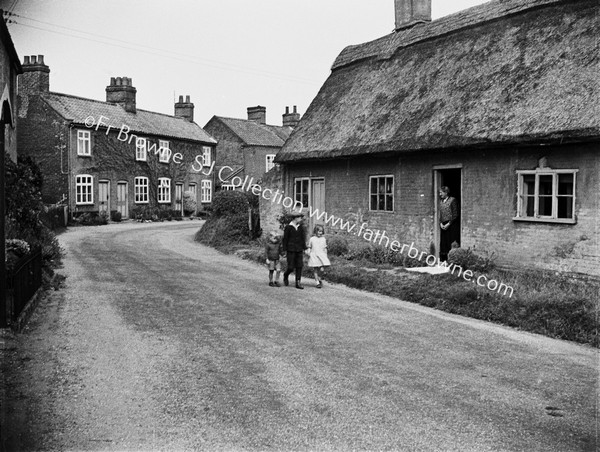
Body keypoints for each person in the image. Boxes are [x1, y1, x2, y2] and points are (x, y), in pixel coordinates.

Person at [282, 211, 307, 289]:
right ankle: (286, 275)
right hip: (291, 249)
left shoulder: (301, 227)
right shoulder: (288, 227)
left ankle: (298, 282)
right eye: (299, 217)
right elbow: (285, 239)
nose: (301, 219)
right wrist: (284, 250)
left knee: (299, 266)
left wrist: (305, 248)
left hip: (299, 249)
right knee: (291, 267)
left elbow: (303, 238)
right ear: (294, 218)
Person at [306, 224, 330, 288]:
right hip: (314, 255)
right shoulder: (312, 239)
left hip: (322, 255)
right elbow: (309, 247)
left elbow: (325, 248)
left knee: (322, 269)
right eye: (319, 231)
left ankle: (319, 278)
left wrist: (326, 255)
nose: (320, 233)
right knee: (315, 269)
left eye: (321, 231)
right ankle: (317, 282)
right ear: (315, 231)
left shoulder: (323, 239)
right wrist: (309, 252)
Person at [439, 186, 459, 262]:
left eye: (441, 192)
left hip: (451, 224)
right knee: (444, 242)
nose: (440, 194)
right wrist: (440, 223)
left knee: (451, 241)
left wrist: (449, 223)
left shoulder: (452, 200)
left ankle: (452, 260)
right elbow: (440, 214)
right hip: (443, 225)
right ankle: (443, 260)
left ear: (446, 192)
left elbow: (455, 214)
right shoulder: (441, 202)